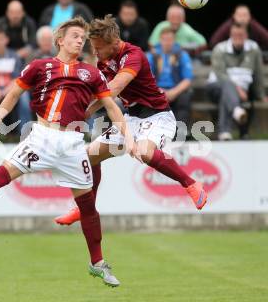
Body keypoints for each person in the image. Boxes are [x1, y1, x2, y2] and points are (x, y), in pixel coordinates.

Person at [0, 17, 134, 288]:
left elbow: (112, 107)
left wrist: (128, 139)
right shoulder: (40, 66)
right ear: (60, 40)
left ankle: (97, 264)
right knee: (1, 175)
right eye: (74, 35)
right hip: (43, 137)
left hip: (73, 143)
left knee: (88, 207)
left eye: (82, 37)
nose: (80, 39)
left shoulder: (91, 73)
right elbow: (12, 95)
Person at [55, 15, 208, 227]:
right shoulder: (104, 59)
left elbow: (115, 88)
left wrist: (82, 103)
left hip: (157, 115)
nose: (95, 52)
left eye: (98, 47)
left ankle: (191, 184)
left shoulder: (133, 54)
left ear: (113, 43)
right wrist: (86, 112)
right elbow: (103, 95)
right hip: (131, 118)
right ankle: (85, 208)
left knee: (144, 152)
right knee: (88, 157)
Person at [207, 22, 267, 140]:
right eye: (235, 35)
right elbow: (221, 75)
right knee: (227, 85)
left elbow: (259, 73)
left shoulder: (254, 49)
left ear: (246, 36)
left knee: (227, 95)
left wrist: (261, 95)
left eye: (241, 35)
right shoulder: (220, 48)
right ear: (230, 35)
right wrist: (238, 90)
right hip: (215, 87)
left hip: (235, 94)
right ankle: (236, 110)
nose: (238, 37)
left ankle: (225, 133)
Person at [147, 28, 193, 128]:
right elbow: (147, 79)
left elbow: (188, 79)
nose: (167, 42)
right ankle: (154, 131)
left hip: (176, 90)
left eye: (170, 39)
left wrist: (174, 92)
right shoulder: (152, 55)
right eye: (165, 39)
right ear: (160, 40)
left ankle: (180, 132)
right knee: (147, 97)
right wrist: (160, 91)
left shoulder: (181, 55)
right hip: (157, 90)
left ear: (174, 40)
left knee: (185, 97)